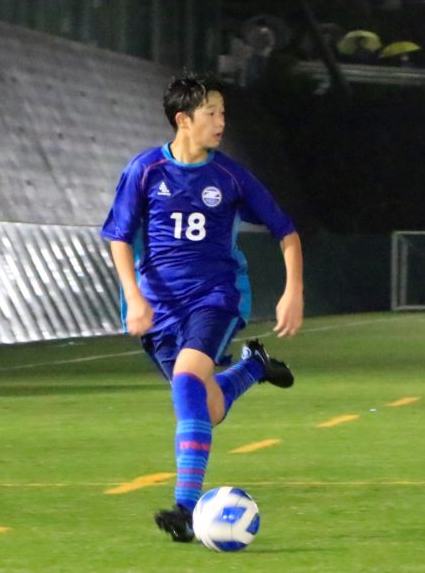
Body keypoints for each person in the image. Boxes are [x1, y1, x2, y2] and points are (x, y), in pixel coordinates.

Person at [100, 74, 304, 543]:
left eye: (223, 113)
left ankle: (186, 508)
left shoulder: (230, 176)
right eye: (211, 113)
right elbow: (118, 237)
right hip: (159, 307)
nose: (221, 122)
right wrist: (134, 297)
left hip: (216, 296)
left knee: (188, 379)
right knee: (205, 408)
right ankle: (253, 368)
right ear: (183, 120)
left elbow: (286, 232)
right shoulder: (145, 170)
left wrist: (292, 290)